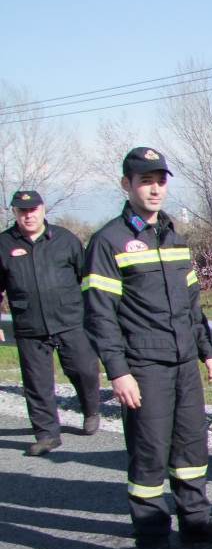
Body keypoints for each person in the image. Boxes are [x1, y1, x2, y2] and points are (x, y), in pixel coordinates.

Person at [83, 146, 212, 549]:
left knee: (192, 447)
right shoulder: (108, 242)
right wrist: (118, 372)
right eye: (145, 180)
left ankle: (196, 522)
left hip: (183, 361)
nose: (154, 188)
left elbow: (193, 306)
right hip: (143, 366)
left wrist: (207, 353)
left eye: (160, 180)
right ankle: (152, 538)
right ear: (126, 185)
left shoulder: (174, 236)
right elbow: (99, 315)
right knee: (150, 452)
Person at [0, 190, 101, 455]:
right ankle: (46, 434)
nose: (28, 215)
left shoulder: (65, 239)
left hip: (70, 320)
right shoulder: (4, 244)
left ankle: (91, 408)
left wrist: (97, 313)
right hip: (29, 325)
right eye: (22, 211)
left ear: (43, 209)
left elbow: (88, 278)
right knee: (36, 383)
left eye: (33, 209)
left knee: (85, 370)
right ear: (14, 213)